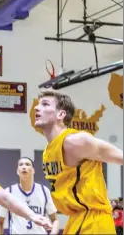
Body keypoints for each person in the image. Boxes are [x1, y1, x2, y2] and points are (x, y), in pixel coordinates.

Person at [35, 89, 124, 234]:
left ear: (61, 114)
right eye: (38, 105)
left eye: (45, 104)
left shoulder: (75, 141)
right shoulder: (48, 151)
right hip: (76, 218)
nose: (37, 108)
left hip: (94, 220)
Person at [0, 157, 59, 234]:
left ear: (33, 170)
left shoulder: (44, 191)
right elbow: (0, 222)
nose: (24, 167)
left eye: (27, 164)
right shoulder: (9, 191)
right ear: (17, 171)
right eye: (21, 165)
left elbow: (55, 220)